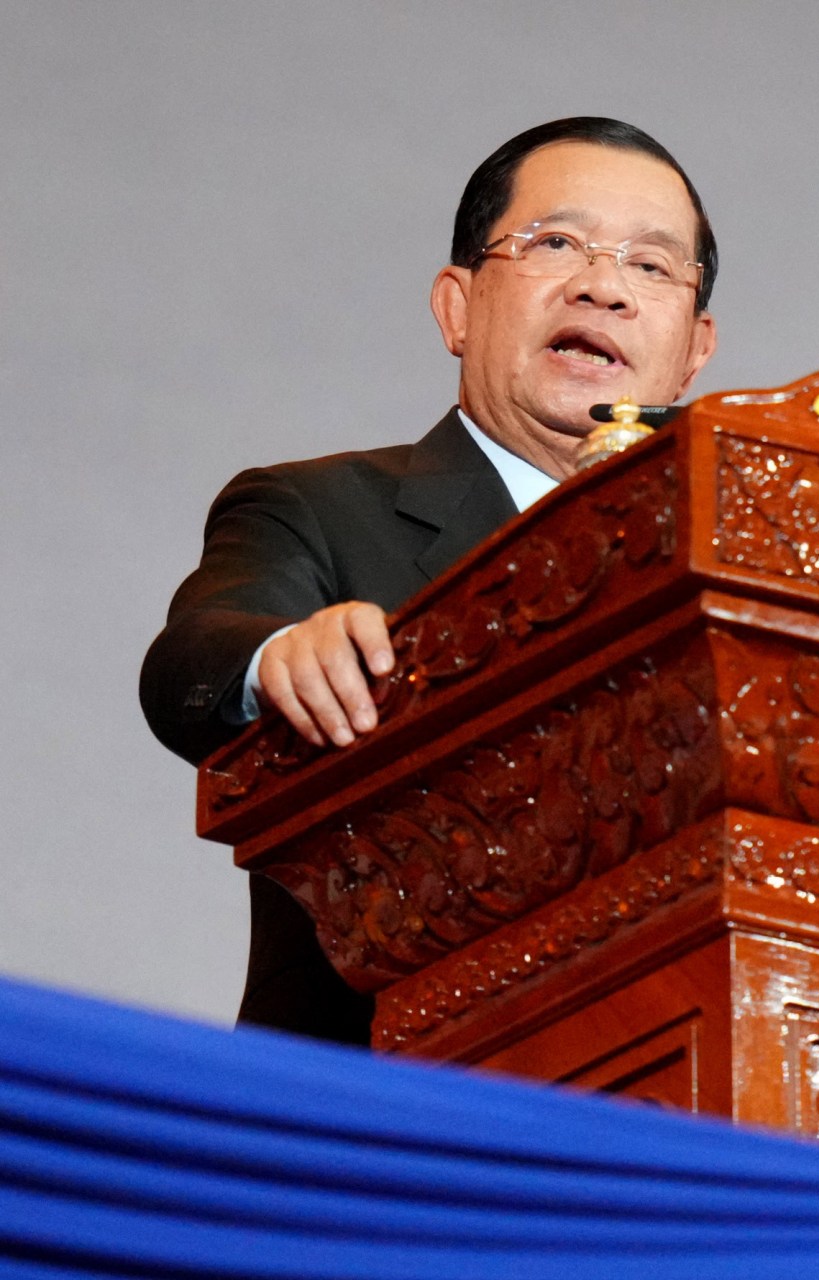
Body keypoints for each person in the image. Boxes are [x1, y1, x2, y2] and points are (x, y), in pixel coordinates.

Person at [140, 117, 719, 1045]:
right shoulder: (320, 506)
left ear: (695, 348)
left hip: (675, 1093)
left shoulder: (736, 557)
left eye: (651, 267)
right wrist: (281, 657)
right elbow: (192, 665)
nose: (602, 286)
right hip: (378, 1111)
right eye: (556, 243)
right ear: (457, 307)